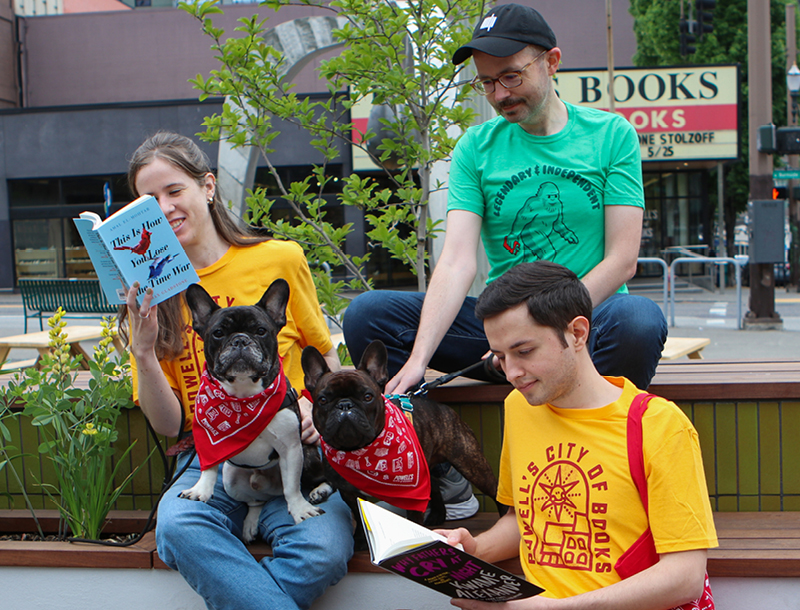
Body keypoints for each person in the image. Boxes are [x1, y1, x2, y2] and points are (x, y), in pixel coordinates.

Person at [343, 3, 667, 395]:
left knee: (638, 320)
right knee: (367, 314)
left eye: (511, 77)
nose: (500, 94)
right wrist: (418, 360)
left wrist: (541, 324)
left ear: (551, 62)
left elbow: (622, 261)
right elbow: (457, 261)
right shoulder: (476, 147)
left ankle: (599, 428)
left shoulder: (611, 134)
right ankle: (425, 439)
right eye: (487, 82)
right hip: (499, 338)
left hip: (585, 324)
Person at [121, 131, 353, 610]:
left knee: (324, 549)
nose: (164, 208)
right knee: (178, 528)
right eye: (148, 199)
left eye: (174, 190)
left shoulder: (278, 258)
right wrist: (143, 353)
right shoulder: (150, 291)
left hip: (292, 451)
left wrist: (316, 405)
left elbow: (326, 357)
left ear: (207, 186)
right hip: (209, 457)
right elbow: (169, 424)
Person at [440, 260, 717, 608]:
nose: (512, 372)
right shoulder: (519, 406)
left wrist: (551, 608)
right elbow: (527, 519)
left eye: (524, 352)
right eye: (499, 357)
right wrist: (474, 549)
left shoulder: (659, 425)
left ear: (578, 333)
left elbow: (685, 577)